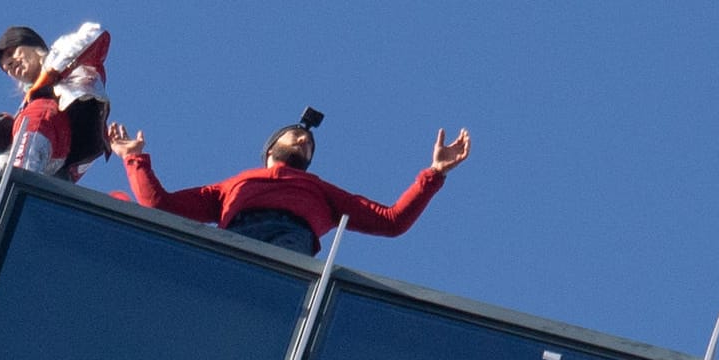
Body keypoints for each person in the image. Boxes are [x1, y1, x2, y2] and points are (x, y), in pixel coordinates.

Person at [105, 110, 471, 254]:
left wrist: (434, 173)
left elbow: (391, 221)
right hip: (235, 237)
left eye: (308, 143)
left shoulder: (320, 190)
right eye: (297, 136)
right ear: (270, 150)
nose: (304, 140)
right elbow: (159, 205)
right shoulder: (234, 185)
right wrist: (132, 157)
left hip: (290, 241)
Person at [0, 22, 112, 225]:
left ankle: (16, 185)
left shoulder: (62, 56)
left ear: (32, 46)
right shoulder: (30, 101)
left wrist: (49, 74)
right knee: (12, 146)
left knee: (33, 118)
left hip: (63, 128)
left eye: (14, 54)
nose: (11, 66)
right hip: (57, 163)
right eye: (7, 68)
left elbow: (95, 33)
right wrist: (2, 140)